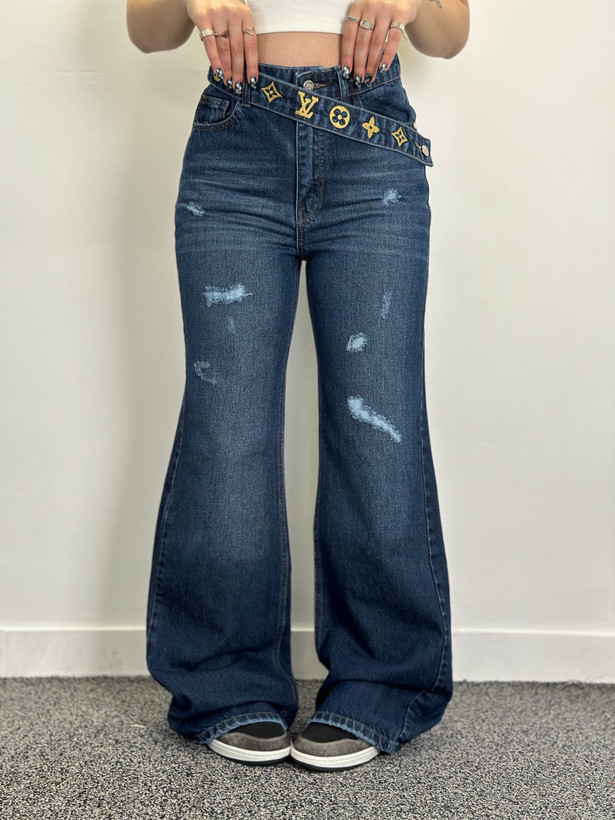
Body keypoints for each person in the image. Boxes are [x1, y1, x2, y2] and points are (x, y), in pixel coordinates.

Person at [126, 0, 470, 772]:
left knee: (377, 426)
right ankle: (226, 681)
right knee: (227, 428)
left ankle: (381, 682)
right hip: (234, 145)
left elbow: (448, 38)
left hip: (370, 145)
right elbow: (146, 34)